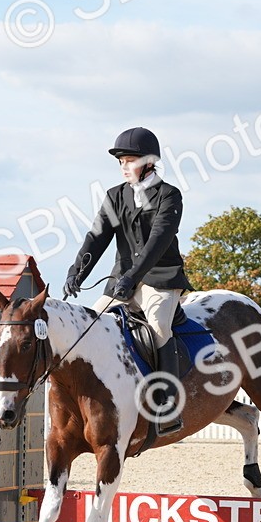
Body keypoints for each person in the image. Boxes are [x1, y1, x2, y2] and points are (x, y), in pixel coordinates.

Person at [63, 127, 191, 436]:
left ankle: (167, 404)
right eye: (121, 161)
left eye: (129, 160)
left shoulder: (169, 195)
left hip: (160, 279)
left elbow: (158, 241)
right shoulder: (115, 196)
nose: (123, 166)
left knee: (159, 327)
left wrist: (132, 277)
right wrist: (76, 272)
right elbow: (97, 237)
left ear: (149, 162)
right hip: (122, 281)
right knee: (90, 326)